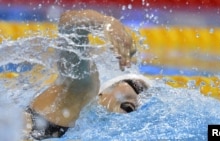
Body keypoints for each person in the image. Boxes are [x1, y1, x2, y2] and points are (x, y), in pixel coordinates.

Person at [22, 9, 150, 140]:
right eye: (127, 107)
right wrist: (109, 22)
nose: (139, 101)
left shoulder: (86, 125)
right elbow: (69, 24)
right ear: (102, 93)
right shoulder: (83, 90)